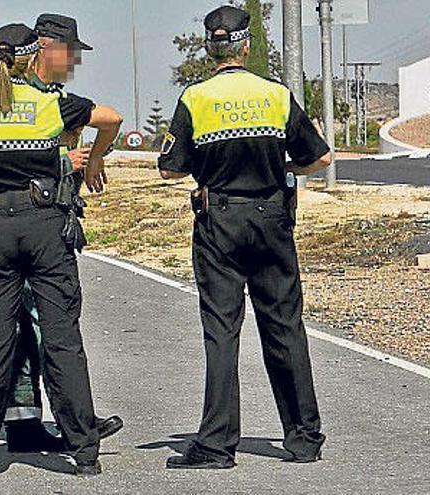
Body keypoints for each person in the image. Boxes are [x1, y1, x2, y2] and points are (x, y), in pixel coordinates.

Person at [158, 5, 331, 470]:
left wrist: (205, 168)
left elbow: (169, 169)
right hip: (273, 217)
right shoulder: (276, 95)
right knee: (284, 325)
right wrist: (284, 169)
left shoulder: (196, 98)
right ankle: (303, 437)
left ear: (209, 47)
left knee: (221, 332)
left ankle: (216, 446)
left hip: (220, 221)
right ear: (247, 45)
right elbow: (321, 158)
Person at [0, 23, 122, 480]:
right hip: (44, 225)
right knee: (62, 339)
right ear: (34, 57)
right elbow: (108, 119)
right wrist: (85, 158)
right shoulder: (52, 104)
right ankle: (84, 451)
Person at [2, 13, 124, 453]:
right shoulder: (24, 96)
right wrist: (69, 162)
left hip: (41, 220)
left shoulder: (54, 95)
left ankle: (26, 423)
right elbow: (9, 159)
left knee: (28, 324)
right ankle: (74, 422)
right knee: (45, 325)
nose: (73, 62)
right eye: (70, 53)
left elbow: (108, 120)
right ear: (47, 48)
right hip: (33, 222)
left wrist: (90, 158)